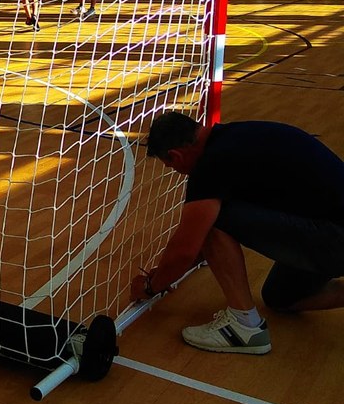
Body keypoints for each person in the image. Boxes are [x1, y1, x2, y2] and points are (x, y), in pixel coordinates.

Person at [131, 111, 344, 355]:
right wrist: (168, 274)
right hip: (330, 228)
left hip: (335, 238)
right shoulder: (237, 137)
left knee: (215, 217)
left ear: (175, 155)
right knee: (280, 297)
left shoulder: (211, 164)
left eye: (170, 166)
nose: (175, 171)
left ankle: (245, 326)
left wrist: (150, 287)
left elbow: (185, 250)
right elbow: (197, 252)